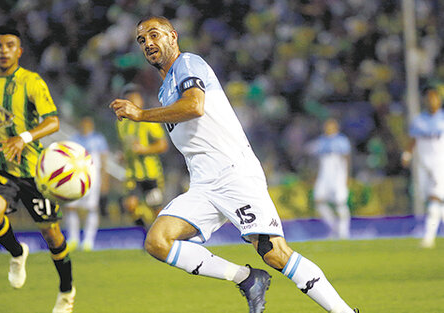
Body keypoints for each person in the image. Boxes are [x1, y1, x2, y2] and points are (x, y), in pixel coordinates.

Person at [110, 16, 359, 313]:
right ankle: (246, 278)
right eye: (141, 40)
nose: (148, 43)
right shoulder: (165, 91)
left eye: (154, 35)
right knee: (157, 241)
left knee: (273, 252)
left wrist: (141, 114)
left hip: (233, 173)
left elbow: (195, 106)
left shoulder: (188, 63)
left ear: (172, 37)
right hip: (204, 184)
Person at [0, 26, 75, 313]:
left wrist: (24, 137)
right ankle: (17, 253)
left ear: (19, 51)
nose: (3, 50)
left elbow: (53, 121)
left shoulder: (32, 82)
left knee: (53, 236)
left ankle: (67, 290)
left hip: (33, 170)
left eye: (9, 45)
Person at [116, 83, 168, 228]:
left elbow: (163, 145)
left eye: (134, 99)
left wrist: (144, 149)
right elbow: (125, 145)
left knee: (156, 209)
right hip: (132, 174)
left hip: (151, 174)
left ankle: (162, 236)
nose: (131, 103)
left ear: (141, 101)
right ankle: (146, 232)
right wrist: (122, 155)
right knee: (130, 205)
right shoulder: (121, 124)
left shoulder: (148, 121)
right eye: (128, 100)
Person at [402, 84, 444, 248]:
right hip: (423, 165)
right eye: (429, 97)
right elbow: (413, 140)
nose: (432, 100)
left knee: (435, 197)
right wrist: (407, 154)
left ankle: (428, 238)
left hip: (441, 164)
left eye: (435, 97)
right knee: (432, 200)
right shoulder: (419, 121)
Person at [64, 116, 109, 251]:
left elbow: (104, 160)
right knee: (71, 207)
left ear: (92, 125)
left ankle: (88, 242)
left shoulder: (98, 139)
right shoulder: (74, 139)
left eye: (88, 124)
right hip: (76, 178)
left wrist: (105, 180)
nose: (85, 126)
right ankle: (73, 239)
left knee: (92, 208)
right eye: (83, 124)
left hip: (93, 179)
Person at [308, 118, 352, 239]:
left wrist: (347, 175)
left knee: (340, 202)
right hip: (324, 171)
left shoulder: (342, 140)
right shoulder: (321, 140)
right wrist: (315, 175)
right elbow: (317, 160)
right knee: (318, 200)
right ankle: (334, 227)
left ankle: (344, 232)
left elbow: (347, 158)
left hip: (337, 171)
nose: (328, 128)